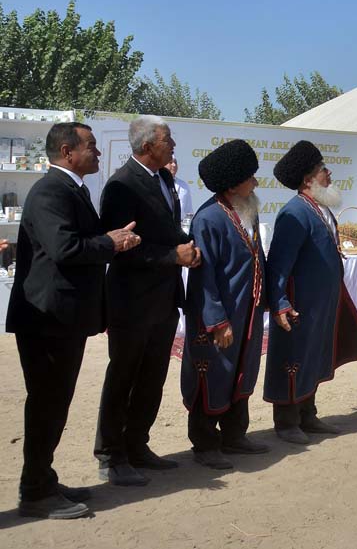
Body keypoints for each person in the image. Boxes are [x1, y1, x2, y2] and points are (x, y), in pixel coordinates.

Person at [7, 122, 139, 519]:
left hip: (63, 318)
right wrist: (110, 243)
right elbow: (64, 247)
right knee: (47, 404)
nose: (98, 153)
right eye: (92, 146)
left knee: (54, 403)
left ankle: (43, 479)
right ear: (68, 152)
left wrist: (109, 238)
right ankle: (34, 492)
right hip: (48, 320)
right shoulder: (51, 190)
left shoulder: (72, 189)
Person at [95, 116, 199, 486]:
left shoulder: (165, 179)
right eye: (167, 139)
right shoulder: (122, 186)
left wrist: (189, 245)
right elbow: (120, 249)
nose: (173, 146)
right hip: (132, 300)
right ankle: (111, 454)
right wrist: (173, 256)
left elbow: (168, 231)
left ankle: (137, 445)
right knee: (124, 376)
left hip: (164, 298)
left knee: (153, 377)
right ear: (146, 146)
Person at [264, 141, 357, 443]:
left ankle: (307, 415)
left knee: (313, 358)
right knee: (293, 359)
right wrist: (280, 302)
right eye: (323, 169)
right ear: (308, 179)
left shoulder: (320, 209)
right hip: (300, 305)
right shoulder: (294, 213)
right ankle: (286, 422)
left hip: (321, 304)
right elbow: (278, 265)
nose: (329, 173)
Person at [181, 139, 271, 469]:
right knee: (212, 375)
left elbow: (258, 258)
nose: (256, 182)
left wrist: (270, 301)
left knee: (242, 371)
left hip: (248, 311)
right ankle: (205, 444)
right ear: (233, 183)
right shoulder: (208, 220)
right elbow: (204, 278)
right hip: (220, 317)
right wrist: (217, 322)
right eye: (250, 177)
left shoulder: (248, 209)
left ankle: (235, 436)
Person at [167, 156, 194, 221]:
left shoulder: (183, 185)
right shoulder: (158, 182)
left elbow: (189, 210)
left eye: (175, 162)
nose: (174, 165)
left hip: (179, 225)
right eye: (170, 162)